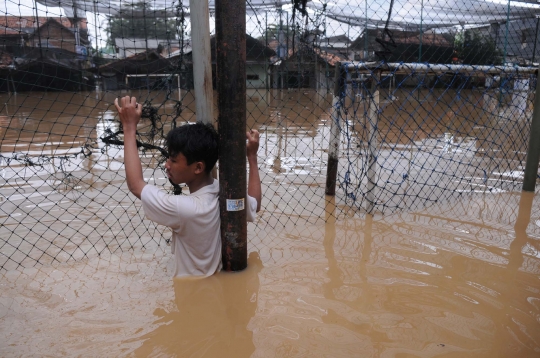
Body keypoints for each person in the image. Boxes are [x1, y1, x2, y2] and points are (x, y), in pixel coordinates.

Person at [114, 96, 261, 277]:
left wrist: (129, 128)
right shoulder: (228, 194)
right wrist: (252, 158)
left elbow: (136, 185)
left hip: (192, 292)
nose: (167, 165)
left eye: (174, 160)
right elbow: (255, 204)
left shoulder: (185, 209)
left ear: (198, 167)